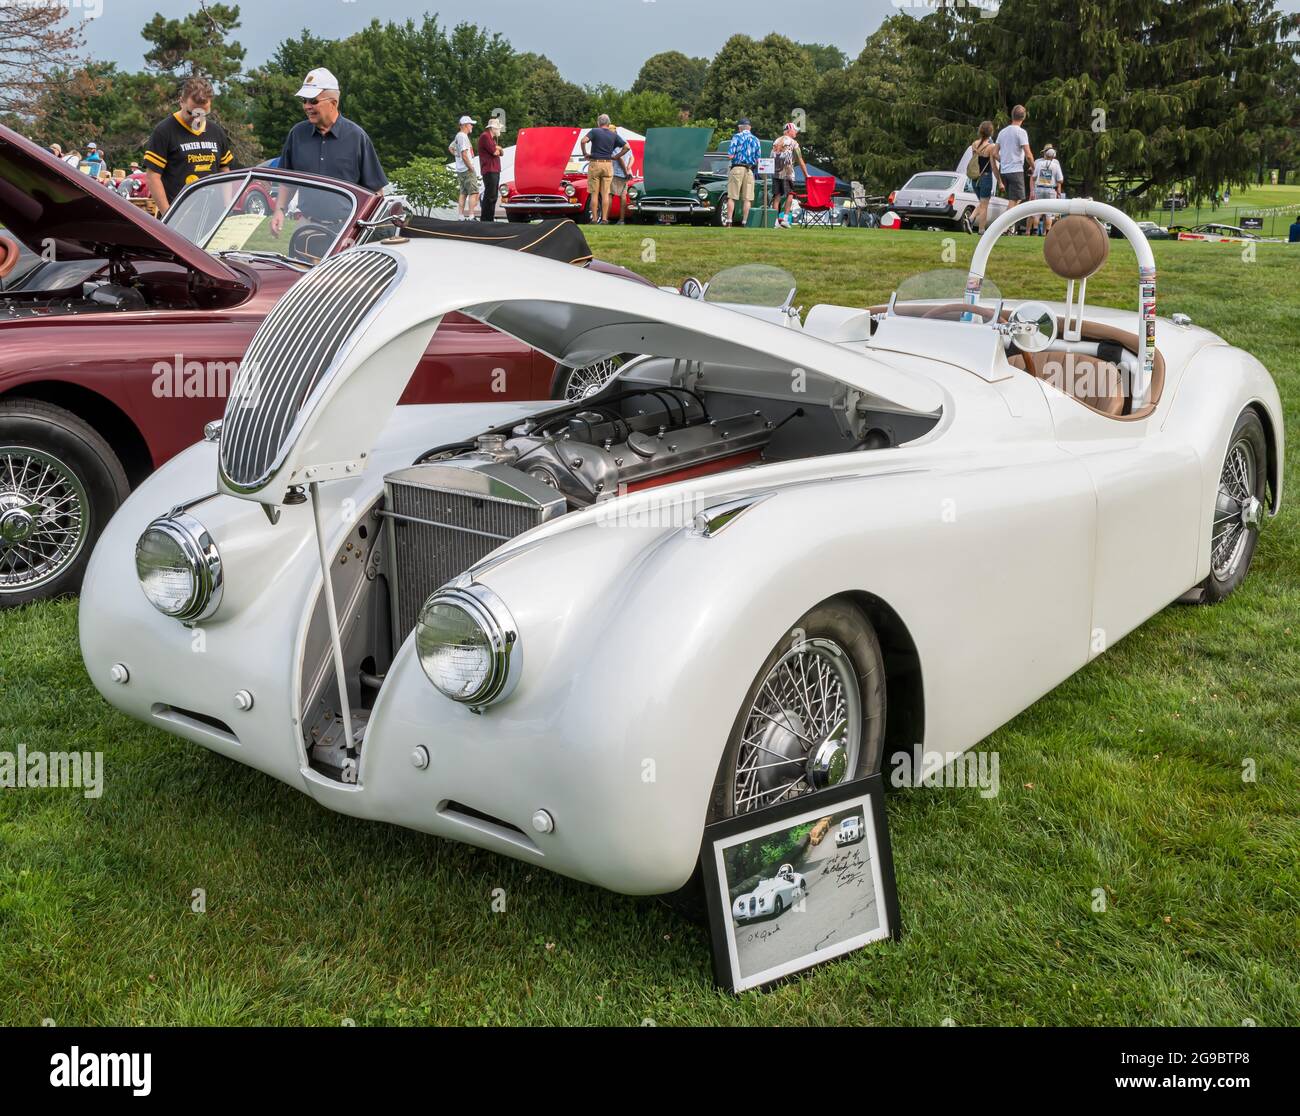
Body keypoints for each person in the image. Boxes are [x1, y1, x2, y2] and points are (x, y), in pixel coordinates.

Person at [144, 76, 236, 214]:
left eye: (203, 113)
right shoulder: (164, 131)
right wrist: (168, 216)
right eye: (192, 113)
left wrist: (227, 207)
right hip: (179, 217)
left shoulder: (216, 132)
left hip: (212, 216)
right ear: (181, 102)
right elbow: (153, 177)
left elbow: (225, 170)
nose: (197, 118)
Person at [580, 114, 629, 225]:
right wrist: (616, 157)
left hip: (595, 163)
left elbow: (583, 141)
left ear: (598, 123)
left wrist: (585, 153)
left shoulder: (594, 131)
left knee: (594, 193)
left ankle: (594, 219)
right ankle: (605, 219)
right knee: (605, 193)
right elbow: (627, 147)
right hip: (608, 164)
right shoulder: (613, 135)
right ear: (608, 123)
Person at [996, 105, 1033, 233]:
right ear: (1024, 117)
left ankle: (1005, 225)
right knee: (1016, 199)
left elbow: (995, 153)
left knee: (1015, 199)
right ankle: (1003, 226)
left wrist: (1004, 160)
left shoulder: (1002, 132)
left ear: (1012, 115)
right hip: (1016, 170)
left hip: (1004, 171)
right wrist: (1034, 167)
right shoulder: (1021, 132)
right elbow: (1028, 154)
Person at [965, 121, 1004, 233]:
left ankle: (971, 219)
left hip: (974, 178)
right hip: (986, 177)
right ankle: (981, 230)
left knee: (982, 203)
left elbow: (976, 162)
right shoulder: (991, 147)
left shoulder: (974, 144)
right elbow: (993, 166)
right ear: (991, 133)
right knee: (984, 206)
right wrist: (1000, 181)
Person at [771, 123, 808, 229]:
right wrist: (806, 175)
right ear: (788, 131)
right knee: (790, 194)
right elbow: (800, 160)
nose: (796, 132)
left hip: (775, 173)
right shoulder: (793, 143)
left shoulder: (776, 141)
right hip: (788, 173)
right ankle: (786, 219)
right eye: (795, 130)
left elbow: (771, 156)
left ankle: (775, 221)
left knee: (776, 196)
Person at [726, 118, 761, 228]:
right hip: (749, 170)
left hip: (737, 168)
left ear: (739, 128)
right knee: (747, 198)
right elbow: (757, 160)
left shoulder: (736, 137)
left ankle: (729, 221)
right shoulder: (756, 139)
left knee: (732, 196)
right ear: (749, 127)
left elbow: (730, 155)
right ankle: (745, 222)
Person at [450, 116, 480, 220]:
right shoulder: (463, 136)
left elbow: (451, 148)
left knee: (463, 193)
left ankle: (461, 216)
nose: (472, 126)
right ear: (465, 125)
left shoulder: (458, 136)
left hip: (460, 169)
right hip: (467, 169)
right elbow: (464, 154)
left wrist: (456, 155)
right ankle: (471, 216)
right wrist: (470, 167)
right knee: (474, 192)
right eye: (470, 124)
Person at [1030, 145, 1064, 234]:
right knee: (1049, 212)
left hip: (1039, 189)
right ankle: (1048, 232)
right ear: (1054, 156)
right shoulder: (1056, 165)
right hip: (1050, 190)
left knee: (1037, 211)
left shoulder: (1039, 164)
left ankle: (1035, 231)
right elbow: (1060, 179)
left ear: (1045, 155)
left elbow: (1033, 177)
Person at [477, 117, 504, 222]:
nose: (499, 130)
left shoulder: (490, 138)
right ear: (493, 128)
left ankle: (489, 219)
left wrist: (499, 149)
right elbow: (495, 152)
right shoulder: (485, 136)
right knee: (490, 196)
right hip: (490, 170)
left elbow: (501, 153)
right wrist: (498, 148)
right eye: (498, 128)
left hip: (494, 169)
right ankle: (486, 219)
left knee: (493, 196)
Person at [609, 125, 634, 225]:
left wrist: (625, 171)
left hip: (617, 172)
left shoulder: (614, 142)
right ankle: (621, 220)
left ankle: (605, 218)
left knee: (609, 195)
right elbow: (632, 157)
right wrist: (629, 168)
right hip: (625, 172)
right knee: (623, 195)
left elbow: (619, 159)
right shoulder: (624, 141)